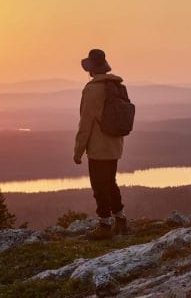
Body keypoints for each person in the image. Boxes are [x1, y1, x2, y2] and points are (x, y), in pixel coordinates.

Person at [73, 49, 129, 240]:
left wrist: (78, 150)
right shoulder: (117, 85)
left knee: (99, 185)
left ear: (91, 69)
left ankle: (104, 224)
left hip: (98, 146)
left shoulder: (92, 89)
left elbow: (86, 122)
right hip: (115, 144)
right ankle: (120, 219)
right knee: (110, 182)